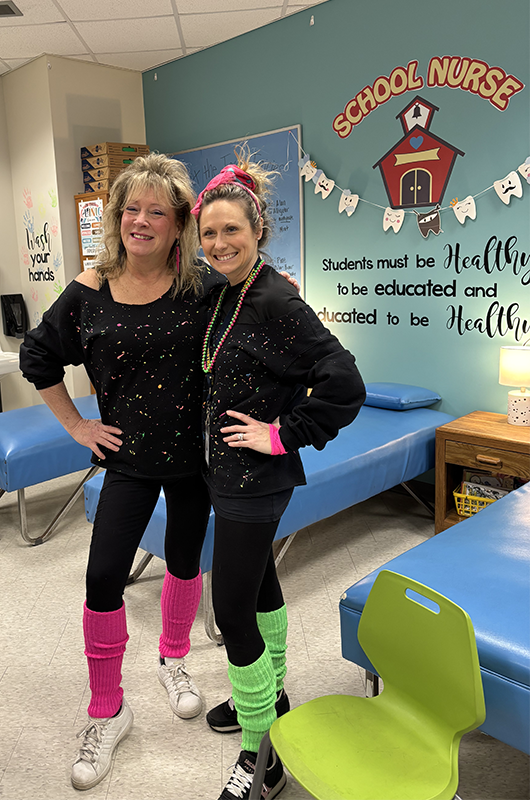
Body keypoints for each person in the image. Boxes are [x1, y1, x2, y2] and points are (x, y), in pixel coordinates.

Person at [19, 154, 225, 791]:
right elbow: (38, 358)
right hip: (127, 463)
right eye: (130, 208)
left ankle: (173, 660)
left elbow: (255, 323)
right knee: (103, 575)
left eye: (155, 211)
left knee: (186, 561)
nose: (140, 220)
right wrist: (78, 426)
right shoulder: (89, 290)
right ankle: (107, 709)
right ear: (117, 218)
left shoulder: (202, 287)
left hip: (193, 460)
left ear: (177, 223)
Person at [192, 151, 366, 800]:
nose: (218, 242)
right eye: (209, 232)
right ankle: (270, 694)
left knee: (231, 611)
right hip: (224, 476)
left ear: (257, 230)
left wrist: (280, 434)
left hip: (254, 482)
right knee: (260, 587)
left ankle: (260, 751)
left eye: (231, 230)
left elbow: (344, 382)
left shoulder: (272, 299)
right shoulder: (224, 293)